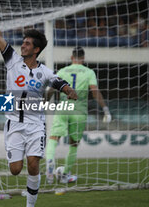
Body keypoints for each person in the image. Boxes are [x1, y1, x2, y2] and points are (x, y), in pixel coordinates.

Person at [0, 0, 77, 207]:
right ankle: (21, 167)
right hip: (13, 123)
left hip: (35, 125)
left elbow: (60, 83)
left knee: (33, 165)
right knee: (16, 170)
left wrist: (69, 90)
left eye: (27, 44)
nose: (22, 45)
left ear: (36, 49)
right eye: (22, 42)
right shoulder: (12, 60)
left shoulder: (45, 72)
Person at [45, 46, 111, 184]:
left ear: (71, 58)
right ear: (83, 58)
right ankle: (64, 175)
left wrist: (44, 101)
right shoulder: (89, 72)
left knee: (53, 138)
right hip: (79, 110)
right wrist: (105, 109)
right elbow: (94, 91)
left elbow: (51, 89)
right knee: (73, 144)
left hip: (63, 107)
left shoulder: (63, 71)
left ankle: (49, 166)